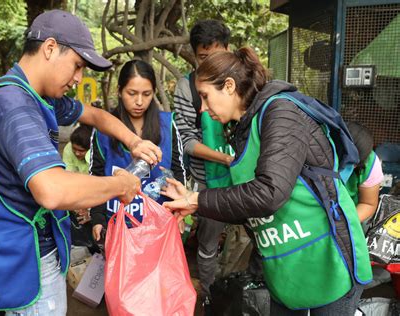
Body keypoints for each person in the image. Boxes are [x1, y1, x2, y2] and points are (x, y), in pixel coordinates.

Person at [0, 10, 161, 315]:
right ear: (49, 48)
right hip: (26, 263)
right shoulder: (13, 104)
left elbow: (95, 115)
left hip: (33, 252)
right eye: (77, 66)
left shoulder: (37, 96)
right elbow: (52, 190)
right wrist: (121, 185)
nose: (78, 78)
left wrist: (134, 141)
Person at [162, 47, 373, 315]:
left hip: (326, 257)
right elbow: (248, 205)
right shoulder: (242, 128)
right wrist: (196, 203)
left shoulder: (281, 112)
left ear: (229, 86)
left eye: (205, 97)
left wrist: (198, 199)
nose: (202, 108)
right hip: (287, 264)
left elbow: (269, 193)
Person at [90, 59, 186, 241]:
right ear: (119, 91)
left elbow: (178, 171)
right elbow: (96, 176)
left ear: (154, 93)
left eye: (147, 94)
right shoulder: (103, 130)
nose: (139, 102)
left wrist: (179, 210)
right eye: (132, 93)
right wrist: (97, 219)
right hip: (118, 225)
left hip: (159, 224)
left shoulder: (167, 124)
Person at [173, 19, 233, 300]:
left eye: (216, 56)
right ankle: (209, 296)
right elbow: (187, 141)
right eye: (202, 58)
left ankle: (247, 289)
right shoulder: (186, 89)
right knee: (208, 244)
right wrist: (226, 159)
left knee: (258, 238)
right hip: (206, 181)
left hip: (245, 180)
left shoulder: (239, 82)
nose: (209, 65)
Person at [345, 121, 384, 223]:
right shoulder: (317, 152)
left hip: (346, 215)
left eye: (354, 164)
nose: (349, 168)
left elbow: (368, 203)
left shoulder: (370, 162)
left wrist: (346, 223)